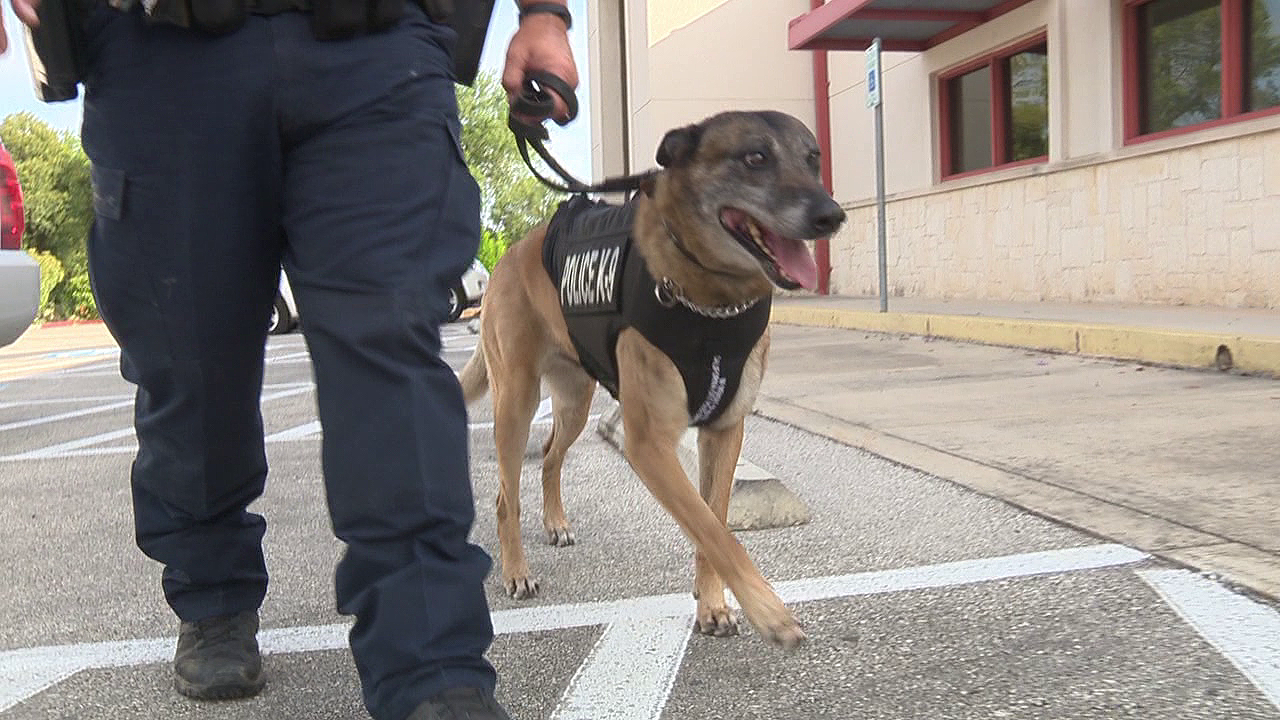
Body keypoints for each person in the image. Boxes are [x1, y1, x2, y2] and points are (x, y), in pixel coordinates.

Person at [1, 0, 578, 717]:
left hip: (379, 48)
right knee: (188, 360)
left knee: (389, 345)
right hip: (158, 53)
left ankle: (431, 663)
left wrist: (545, 13)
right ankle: (212, 594)